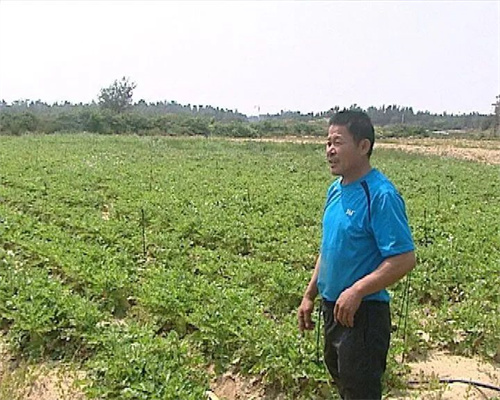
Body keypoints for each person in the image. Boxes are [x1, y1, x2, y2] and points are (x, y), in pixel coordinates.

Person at [297, 110, 416, 400]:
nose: (330, 150)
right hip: (333, 309)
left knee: (360, 390)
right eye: (327, 142)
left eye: (338, 142)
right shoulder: (335, 190)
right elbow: (329, 248)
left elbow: (404, 258)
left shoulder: (381, 195)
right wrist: (310, 295)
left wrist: (357, 290)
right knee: (343, 382)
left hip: (363, 316)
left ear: (364, 146)